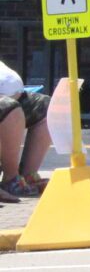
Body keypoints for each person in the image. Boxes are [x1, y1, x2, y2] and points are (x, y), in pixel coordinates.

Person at [0, 60, 53, 202]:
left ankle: (26, 176)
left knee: (47, 106)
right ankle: (10, 179)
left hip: (15, 95)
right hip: (7, 102)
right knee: (9, 108)